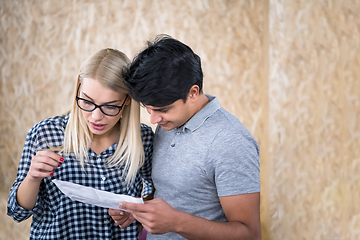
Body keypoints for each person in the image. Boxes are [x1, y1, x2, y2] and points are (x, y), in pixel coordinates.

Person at [109, 35, 261, 239]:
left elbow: (249, 234)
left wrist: (176, 222)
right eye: (148, 109)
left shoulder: (230, 142)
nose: (153, 119)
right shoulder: (170, 121)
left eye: (161, 109)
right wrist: (140, 210)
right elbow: (174, 195)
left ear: (193, 93)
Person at [7, 48, 154, 239]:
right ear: (78, 88)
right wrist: (32, 178)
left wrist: (136, 210)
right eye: (87, 101)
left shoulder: (144, 138)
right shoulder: (45, 134)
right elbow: (17, 212)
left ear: (128, 100)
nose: (96, 117)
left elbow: (155, 197)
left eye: (110, 106)